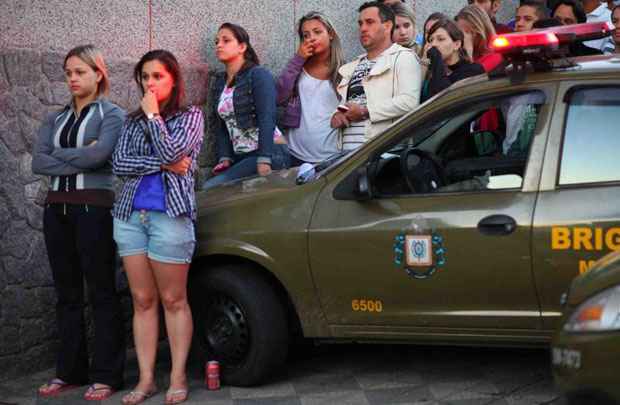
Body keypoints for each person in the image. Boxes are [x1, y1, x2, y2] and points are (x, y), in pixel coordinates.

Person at [32, 45, 126, 401]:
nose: (72, 78)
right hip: (56, 210)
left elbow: (100, 155)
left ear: (98, 73)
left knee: (101, 291)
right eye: (68, 72)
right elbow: (38, 163)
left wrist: (68, 155)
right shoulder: (54, 119)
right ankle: (70, 372)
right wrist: (81, 157)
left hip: (94, 211)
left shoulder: (112, 114)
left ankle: (107, 375)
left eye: (79, 72)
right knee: (67, 294)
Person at [113, 49, 204, 405]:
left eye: (157, 77)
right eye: (145, 77)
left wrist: (154, 118)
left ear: (173, 80)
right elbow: (121, 163)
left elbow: (175, 153)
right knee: (142, 299)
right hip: (131, 217)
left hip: (170, 215)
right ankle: (147, 378)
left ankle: (178, 375)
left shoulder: (190, 115)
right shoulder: (129, 120)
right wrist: (165, 164)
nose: (150, 84)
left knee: (173, 298)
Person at [204, 23, 289, 189]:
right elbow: (223, 124)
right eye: (216, 42)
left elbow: (268, 117)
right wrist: (225, 158)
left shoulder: (257, 75)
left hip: (271, 152)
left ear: (242, 47)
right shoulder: (220, 82)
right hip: (241, 156)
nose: (219, 45)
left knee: (211, 188)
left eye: (226, 40)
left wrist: (265, 159)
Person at [332, 1, 421, 151]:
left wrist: (365, 111)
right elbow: (350, 103)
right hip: (347, 158)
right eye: (360, 24)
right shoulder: (352, 66)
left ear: (387, 26)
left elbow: (409, 102)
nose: (363, 28)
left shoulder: (404, 57)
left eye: (370, 22)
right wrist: (338, 114)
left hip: (382, 154)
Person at [276, 12, 344, 167]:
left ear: (331, 34)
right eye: (306, 35)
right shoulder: (298, 67)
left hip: (331, 157)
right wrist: (298, 59)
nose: (311, 38)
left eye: (317, 32)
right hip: (294, 154)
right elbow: (279, 97)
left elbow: (352, 105)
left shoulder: (345, 69)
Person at [422, 19, 485, 102]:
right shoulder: (434, 72)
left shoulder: (473, 70)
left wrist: (436, 59)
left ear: (457, 44)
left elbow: (445, 100)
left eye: (440, 39)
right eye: (431, 40)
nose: (433, 44)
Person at [456, 5, 503, 72]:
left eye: (469, 32)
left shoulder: (495, 56)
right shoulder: (460, 51)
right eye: (460, 32)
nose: (465, 37)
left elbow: (470, 77)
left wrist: (468, 55)